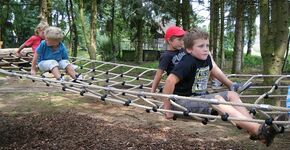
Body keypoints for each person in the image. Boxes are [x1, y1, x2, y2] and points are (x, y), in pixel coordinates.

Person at [161, 28, 279, 146]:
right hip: (181, 103)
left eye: (207, 45)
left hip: (199, 99)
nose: (206, 49)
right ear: (189, 49)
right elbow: (169, 81)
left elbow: (215, 72)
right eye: (201, 46)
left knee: (232, 94)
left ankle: (255, 128)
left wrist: (230, 84)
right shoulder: (187, 62)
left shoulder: (206, 59)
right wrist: (167, 109)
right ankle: (259, 130)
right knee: (217, 100)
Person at [151, 26, 186, 93]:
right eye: (179, 40)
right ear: (169, 40)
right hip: (176, 87)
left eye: (182, 40)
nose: (182, 42)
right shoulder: (166, 56)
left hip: (187, 84)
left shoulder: (183, 50)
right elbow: (159, 74)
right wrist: (153, 90)